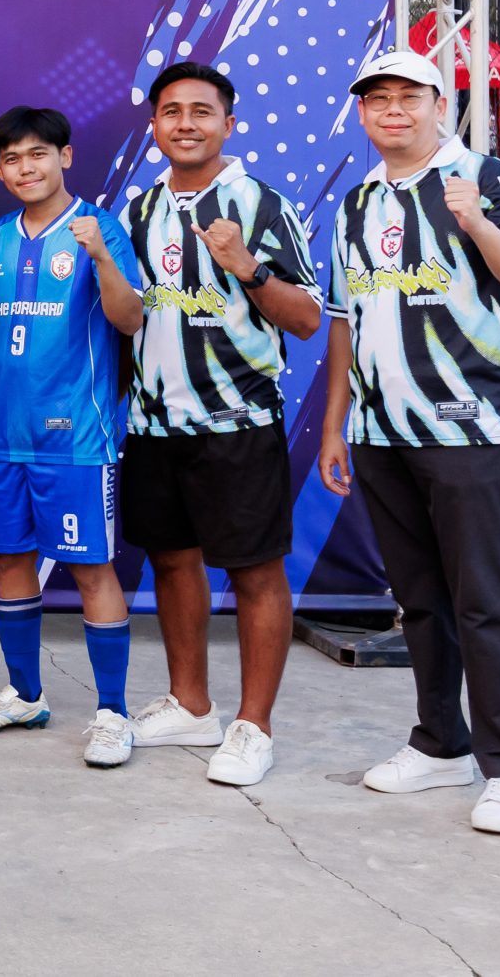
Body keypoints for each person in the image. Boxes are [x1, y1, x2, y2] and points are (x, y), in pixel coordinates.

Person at [318, 48, 500, 836]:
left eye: (408, 96)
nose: (393, 110)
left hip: (468, 425)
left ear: (438, 104)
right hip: (381, 430)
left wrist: (476, 221)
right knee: (419, 599)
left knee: (483, 600)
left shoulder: (483, 176)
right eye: (377, 98)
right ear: (363, 112)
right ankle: (441, 742)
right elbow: (345, 320)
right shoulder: (357, 202)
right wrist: (337, 424)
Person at [119, 61, 323, 788]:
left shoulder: (261, 203)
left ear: (229, 123)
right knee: (172, 560)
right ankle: (191, 705)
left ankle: (253, 726)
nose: (186, 124)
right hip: (153, 422)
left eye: (201, 111)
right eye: (172, 111)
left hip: (237, 419)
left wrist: (245, 265)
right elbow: (124, 315)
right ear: (154, 125)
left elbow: (307, 318)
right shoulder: (138, 211)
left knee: (255, 571)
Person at [0, 105, 145, 768]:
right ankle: (25, 695)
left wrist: (101, 257)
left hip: (75, 438)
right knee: (9, 561)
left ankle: (112, 713)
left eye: (37, 154)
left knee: (91, 568)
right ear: (0, 169)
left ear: (65, 156)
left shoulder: (98, 226)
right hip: (4, 436)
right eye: (11, 158)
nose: (25, 168)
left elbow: (129, 318)